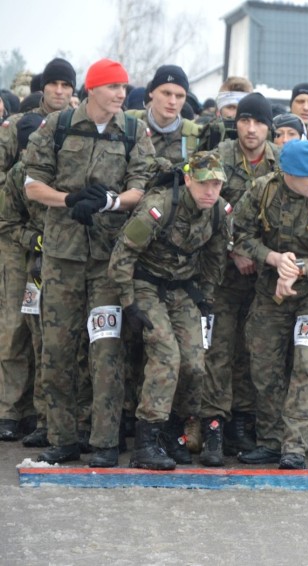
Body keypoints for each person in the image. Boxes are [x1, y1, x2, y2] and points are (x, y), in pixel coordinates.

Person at [23, 58, 157, 466]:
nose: (121, 94)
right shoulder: (59, 126)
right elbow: (31, 184)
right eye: (114, 86)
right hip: (61, 259)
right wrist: (67, 200)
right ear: (94, 89)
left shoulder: (134, 131)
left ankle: (103, 442)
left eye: (124, 87)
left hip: (106, 259)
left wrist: (110, 201)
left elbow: (143, 186)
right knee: (58, 350)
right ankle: (63, 437)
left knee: (106, 350)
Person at [232, 140, 308, 469]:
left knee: (307, 366)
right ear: (287, 173)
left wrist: (301, 268)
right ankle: (271, 440)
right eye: (307, 175)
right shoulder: (262, 191)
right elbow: (239, 234)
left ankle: (294, 446)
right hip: (269, 292)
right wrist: (271, 258)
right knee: (264, 366)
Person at [108, 151, 230, 469]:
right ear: (189, 179)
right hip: (146, 286)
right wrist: (128, 302)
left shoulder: (218, 212)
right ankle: (146, 441)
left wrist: (206, 295)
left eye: (217, 184)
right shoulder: (160, 206)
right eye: (204, 183)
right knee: (167, 358)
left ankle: (174, 431)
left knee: (194, 365)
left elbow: (217, 257)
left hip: (182, 290)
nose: (210, 191)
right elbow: (123, 255)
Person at [199, 92, 279, 464]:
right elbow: (202, 212)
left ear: (269, 127)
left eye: (259, 122)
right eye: (245, 120)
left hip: (264, 278)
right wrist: (234, 248)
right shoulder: (217, 160)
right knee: (218, 350)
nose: (251, 128)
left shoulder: (281, 164)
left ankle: (241, 424)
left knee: (253, 351)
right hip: (221, 274)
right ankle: (214, 423)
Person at [0, 114, 47, 442]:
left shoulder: (61, 172)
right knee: (15, 329)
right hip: (20, 255)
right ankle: (10, 409)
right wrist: (35, 240)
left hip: (57, 259)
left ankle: (43, 412)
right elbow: (5, 222)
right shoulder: (17, 176)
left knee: (47, 336)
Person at [0, 58, 76, 179]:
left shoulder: (83, 126)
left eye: (65, 85)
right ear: (43, 87)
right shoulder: (17, 124)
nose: (59, 91)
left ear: (73, 90)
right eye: (53, 83)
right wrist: (13, 192)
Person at [129, 65, 201, 169]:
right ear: (151, 93)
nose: (172, 102)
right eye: (166, 93)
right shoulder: (129, 124)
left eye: (179, 96)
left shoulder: (195, 135)